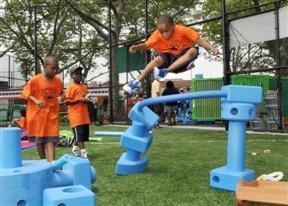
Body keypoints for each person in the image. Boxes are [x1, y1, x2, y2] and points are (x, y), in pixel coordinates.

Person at [123, 14, 219, 94]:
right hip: (168, 58)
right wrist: (136, 47)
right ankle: (136, 82)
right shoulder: (157, 34)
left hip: (182, 61)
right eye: (162, 32)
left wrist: (212, 48)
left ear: (173, 25)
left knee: (193, 51)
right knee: (157, 60)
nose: (165, 34)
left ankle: (165, 71)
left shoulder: (182, 30)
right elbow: (146, 45)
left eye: (167, 31)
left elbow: (199, 40)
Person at [21, 56, 63, 162]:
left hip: (51, 115)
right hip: (38, 116)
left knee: (51, 139)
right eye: (53, 68)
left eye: (57, 68)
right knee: (39, 141)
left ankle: (52, 163)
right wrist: (36, 100)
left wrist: (62, 98)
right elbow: (25, 93)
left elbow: (61, 94)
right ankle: (43, 161)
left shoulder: (58, 82)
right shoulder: (35, 80)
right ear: (45, 66)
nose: (55, 71)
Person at [65, 66, 91, 159]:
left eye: (80, 74)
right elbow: (67, 101)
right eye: (76, 74)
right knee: (79, 136)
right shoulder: (70, 88)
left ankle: (74, 151)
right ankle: (84, 154)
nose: (79, 75)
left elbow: (86, 97)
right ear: (72, 76)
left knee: (80, 136)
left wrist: (87, 99)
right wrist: (80, 99)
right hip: (76, 116)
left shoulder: (84, 87)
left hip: (84, 116)